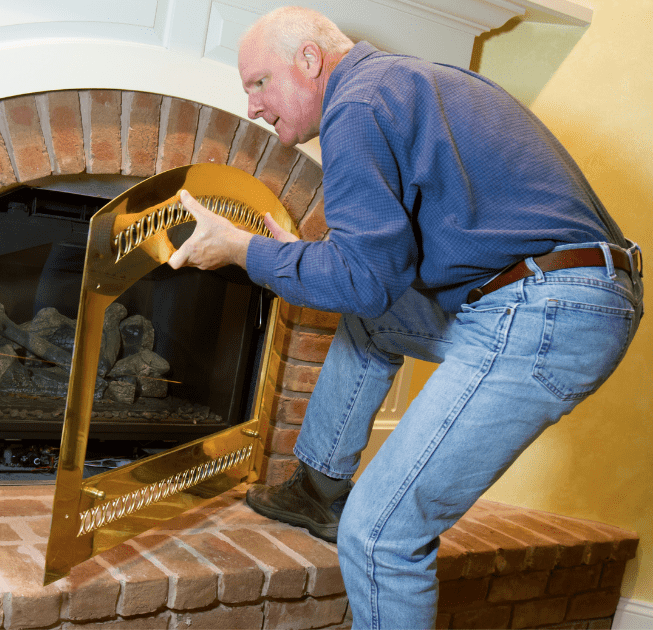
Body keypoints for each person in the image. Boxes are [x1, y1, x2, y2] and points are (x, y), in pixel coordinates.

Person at [167, 6, 643, 629]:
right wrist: (287, 253)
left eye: (259, 82)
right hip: (567, 295)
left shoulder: (356, 105)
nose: (253, 105)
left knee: (381, 535)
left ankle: (344, 508)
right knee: (377, 322)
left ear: (310, 61)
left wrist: (244, 250)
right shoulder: (409, 83)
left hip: (544, 311)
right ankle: (318, 490)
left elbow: (363, 280)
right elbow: (382, 279)